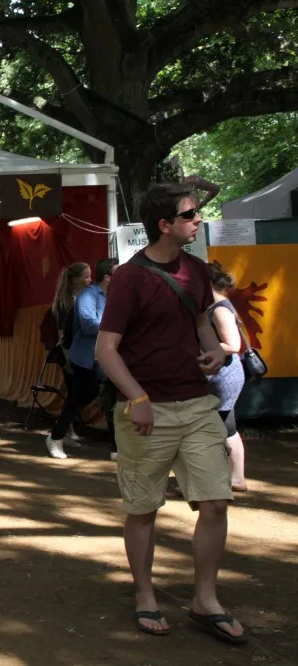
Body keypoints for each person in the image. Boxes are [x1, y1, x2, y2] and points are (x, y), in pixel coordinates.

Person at [96, 183, 245, 642]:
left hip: (197, 403)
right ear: (164, 225)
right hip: (147, 411)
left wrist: (215, 352)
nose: (199, 219)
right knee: (144, 509)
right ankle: (145, 596)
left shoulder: (198, 271)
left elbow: (200, 320)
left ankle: (206, 600)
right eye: (190, 214)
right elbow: (106, 349)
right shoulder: (129, 277)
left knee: (215, 502)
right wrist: (138, 399)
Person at [45, 258, 118, 459]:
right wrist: (114, 329)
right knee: (78, 399)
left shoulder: (110, 295)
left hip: (105, 356)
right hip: (85, 358)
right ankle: (56, 436)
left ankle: (116, 448)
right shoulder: (88, 295)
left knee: (111, 398)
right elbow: (87, 323)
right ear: (107, 277)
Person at [206, 261, 248, 492]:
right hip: (220, 374)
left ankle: (232, 478)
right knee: (225, 426)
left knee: (220, 426)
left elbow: (233, 344)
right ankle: (235, 477)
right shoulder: (214, 305)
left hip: (223, 376)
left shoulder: (220, 308)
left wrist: (200, 350)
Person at [43, 262, 92, 457]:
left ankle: (66, 430)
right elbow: (63, 336)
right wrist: (69, 360)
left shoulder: (85, 297)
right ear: (75, 279)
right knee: (76, 393)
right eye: (87, 276)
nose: (90, 279)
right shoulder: (65, 302)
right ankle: (60, 433)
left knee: (75, 394)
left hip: (83, 353)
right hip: (70, 354)